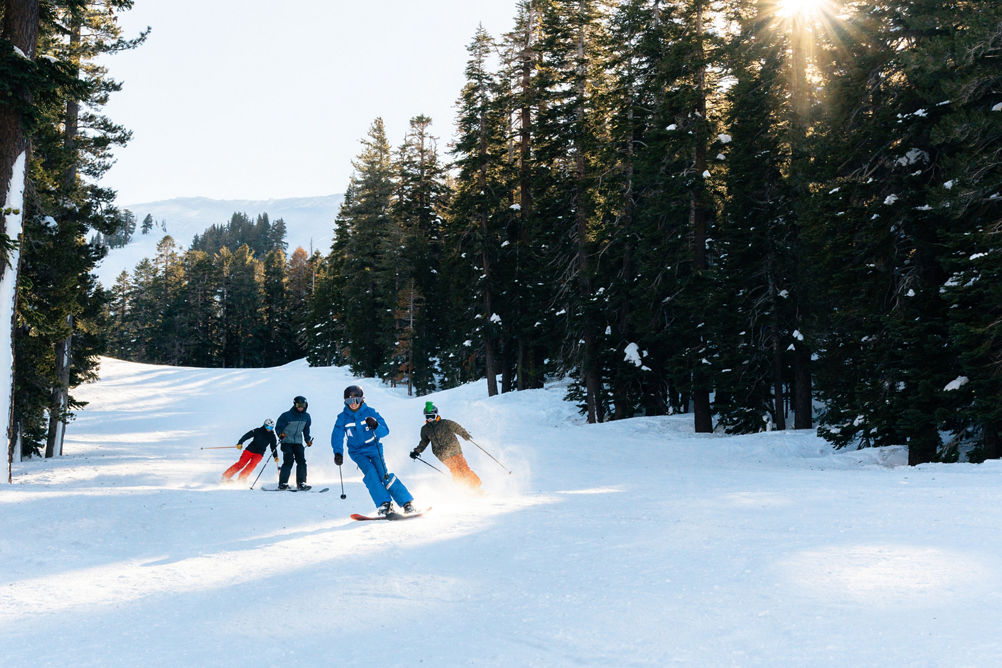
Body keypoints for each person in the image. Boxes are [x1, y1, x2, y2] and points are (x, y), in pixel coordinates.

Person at [331, 384, 418, 516]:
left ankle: (406, 503)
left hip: (374, 448)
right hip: (357, 452)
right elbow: (337, 435)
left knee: (384, 475)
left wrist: (376, 425)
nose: (353, 404)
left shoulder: (370, 412)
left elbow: (385, 431)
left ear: (362, 399)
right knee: (371, 473)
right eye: (349, 401)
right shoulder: (342, 417)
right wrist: (338, 452)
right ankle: (385, 504)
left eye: (356, 400)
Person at [410, 402, 482, 492]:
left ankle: (476, 488)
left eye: (432, 416)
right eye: (427, 417)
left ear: (436, 415)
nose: (430, 419)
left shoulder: (445, 423)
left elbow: (457, 428)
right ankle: (463, 489)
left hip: (454, 449)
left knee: (463, 467)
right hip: (441, 454)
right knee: (454, 470)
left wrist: (464, 434)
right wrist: (417, 451)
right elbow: (424, 442)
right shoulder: (425, 429)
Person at [222, 418, 279, 482]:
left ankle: (242, 478)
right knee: (241, 464)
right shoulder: (257, 431)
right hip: (250, 450)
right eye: (268, 427)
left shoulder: (272, 436)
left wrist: (275, 456)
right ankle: (226, 476)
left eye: (271, 428)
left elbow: (273, 447)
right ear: (265, 425)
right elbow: (247, 436)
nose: (270, 429)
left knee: (252, 465)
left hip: (259, 453)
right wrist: (240, 443)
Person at [276, 395, 313, 490]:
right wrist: (281, 434)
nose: (300, 407)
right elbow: (278, 427)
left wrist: (307, 440)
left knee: (301, 461)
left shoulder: (306, 417)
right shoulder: (286, 415)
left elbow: (306, 429)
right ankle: (283, 483)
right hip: (286, 442)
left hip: (298, 442)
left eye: (303, 405)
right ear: (294, 405)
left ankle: (301, 483)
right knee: (288, 461)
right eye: (298, 405)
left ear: (306, 405)